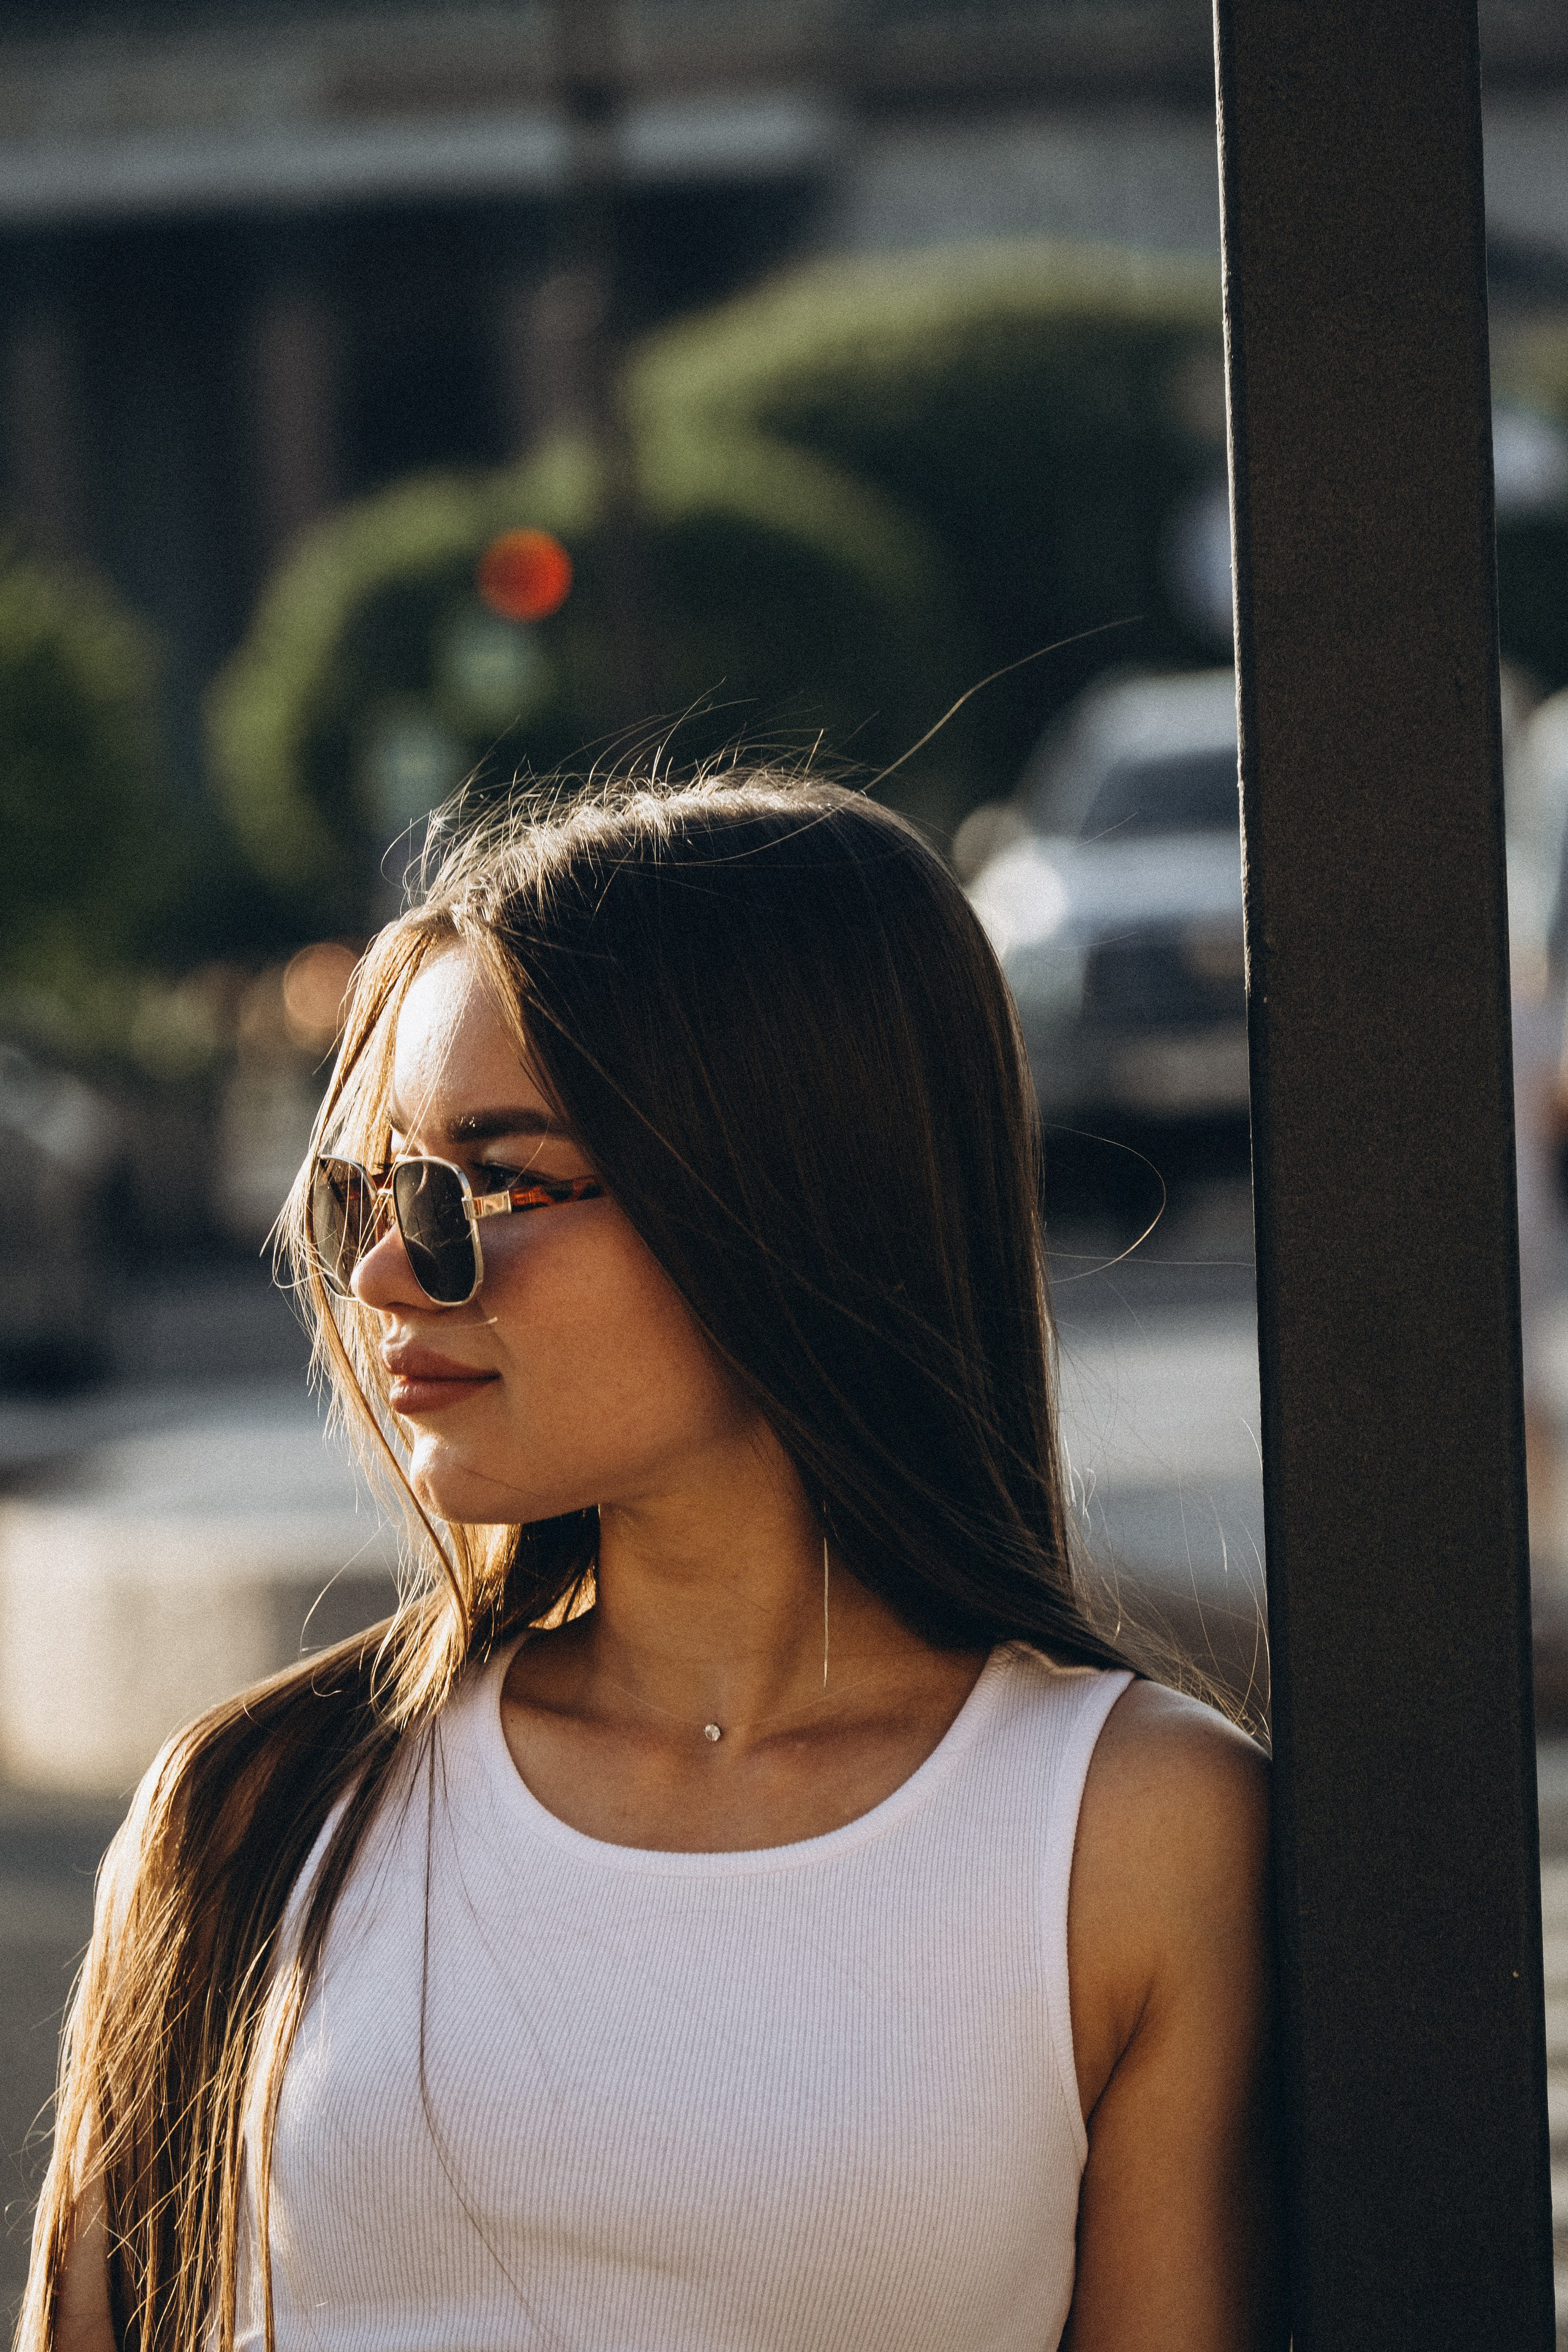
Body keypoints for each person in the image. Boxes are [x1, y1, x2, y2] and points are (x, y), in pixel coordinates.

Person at [25, 772, 1279, 2352]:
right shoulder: (260, 1801)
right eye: (376, 1190)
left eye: (495, 1183)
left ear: (784, 1193)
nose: (387, 1270)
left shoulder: (1133, 1833)